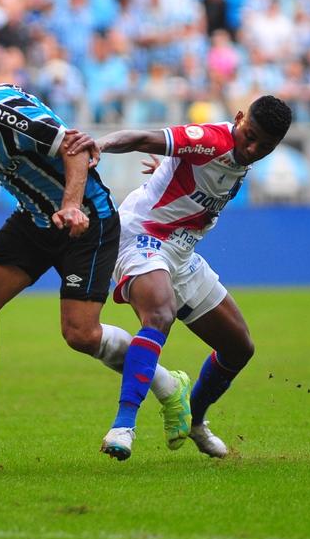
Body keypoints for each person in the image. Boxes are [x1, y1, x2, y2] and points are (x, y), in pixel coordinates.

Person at [0, 56, 191, 455]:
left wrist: (72, 205)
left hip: (87, 220)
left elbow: (74, 148)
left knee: (80, 334)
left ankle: (170, 386)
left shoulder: (8, 112)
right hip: (36, 218)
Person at [93, 95, 293, 460]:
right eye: (249, 135)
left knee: (239, 348)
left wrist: (168, 169)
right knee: (159, 314)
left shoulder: (243, 160)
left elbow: (192, 178)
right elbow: (140, 138)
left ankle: (195, 421)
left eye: (265, 146)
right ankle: (123, 426)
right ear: (237, 118)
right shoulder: (210, 139)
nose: (252, 148)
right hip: (140, 237)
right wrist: (101, 144)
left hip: (180, 252)